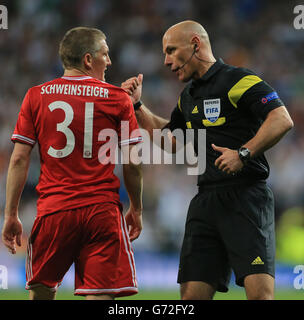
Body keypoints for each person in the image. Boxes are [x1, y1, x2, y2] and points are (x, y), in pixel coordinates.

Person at [122, 20, 294, 300]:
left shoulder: (239, 79)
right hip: (206, 202)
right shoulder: (187, 97)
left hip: (246, 198)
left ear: (195, 44)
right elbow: (172, 142)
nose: (165, 61)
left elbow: (281, 118)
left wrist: (243, 153)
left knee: (260, 296)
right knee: (190, 298)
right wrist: (138, 108)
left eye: (170, 50)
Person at [1, 27, 143, 300]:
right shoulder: (117, 99)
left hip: (54, 211)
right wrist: (136, 208)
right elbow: (133, 163)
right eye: (106, 54)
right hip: (101, 213)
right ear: (89, 60)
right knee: (101, 295)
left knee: (41, 293)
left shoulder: (36, 95)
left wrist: (11, 215)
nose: (110, 61)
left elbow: (19, 158)